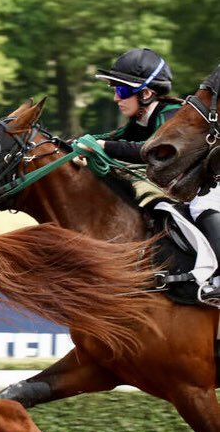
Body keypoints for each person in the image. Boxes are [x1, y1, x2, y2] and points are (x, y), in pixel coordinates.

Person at [86, 48, 220, 302]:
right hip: (193, 185)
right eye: (114, 90)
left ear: (146, 93)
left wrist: (103, 147)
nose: (116, 98)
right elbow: (113, 138)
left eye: (121, 90)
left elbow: (154, 152)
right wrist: (76, 145)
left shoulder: (171, 115)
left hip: (208, 184)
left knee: (203, 203)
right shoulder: (141, 120)